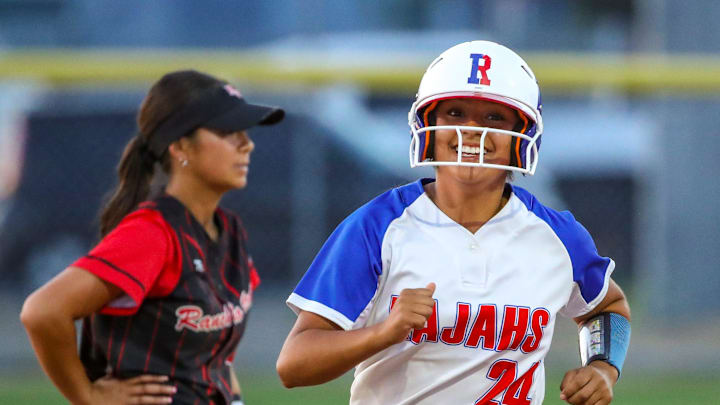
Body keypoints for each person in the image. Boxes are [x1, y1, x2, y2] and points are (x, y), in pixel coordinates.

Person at [276, 40, 631, 405]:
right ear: (427, 124)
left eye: (494, 117)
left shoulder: (557, 236)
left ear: (524, 133)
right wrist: (384, 332)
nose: (472, 130)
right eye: (456, 113)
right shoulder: (377, 228)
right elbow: (294, 364)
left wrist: (603, 366)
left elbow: (607, 308)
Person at [20, 69, 284, 405]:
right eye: (226, 131)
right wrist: (88, 395)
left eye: (244, 131)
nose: (246, 143)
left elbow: (216, 354)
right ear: (180, 146)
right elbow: (42, 311)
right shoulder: (153, 233)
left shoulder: (229, 230)